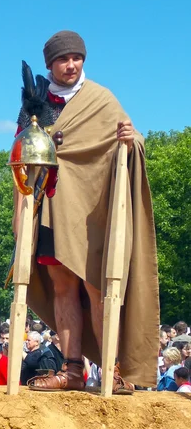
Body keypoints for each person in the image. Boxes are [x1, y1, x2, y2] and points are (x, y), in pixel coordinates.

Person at [13, 30, 159, 391]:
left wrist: (131, 139)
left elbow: (131, 137)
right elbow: (19, 151)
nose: (71, 64)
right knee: (63, 286)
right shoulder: (37, 101)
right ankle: (73, 368)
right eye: (63, 59)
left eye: (77, 58)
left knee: (96, 286)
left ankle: (113, 370)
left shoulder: (100, 99)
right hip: (52, 202)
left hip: (92, 209)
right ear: (51, 64)